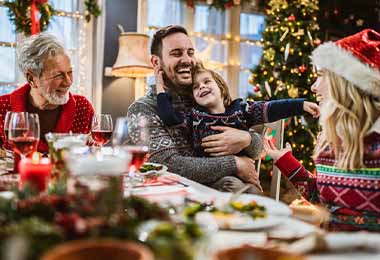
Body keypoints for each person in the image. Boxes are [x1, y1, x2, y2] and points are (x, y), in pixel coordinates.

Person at [263, 29, 380, 231]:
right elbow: (322, 200)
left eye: (321, 76)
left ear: (346, 84)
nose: (314, 87)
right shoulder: (328, 141)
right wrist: (285, 161)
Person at [127, 25, 263, 191]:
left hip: (223, 194)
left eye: (190, 53)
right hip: (176, 198)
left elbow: (257, 150)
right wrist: (234, 163)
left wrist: (246, 139)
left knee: (245, 190)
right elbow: (165, 164)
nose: (187, 60)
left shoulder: (204, 96)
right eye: (176, 53)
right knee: (235, 187)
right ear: (156, 62)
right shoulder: (143, 109)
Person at [156, 64, 319, 157]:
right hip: (207, 179)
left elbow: (271, 108)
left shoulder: (241, 109)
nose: (202, 87)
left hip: (237, 177)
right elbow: (169, 117)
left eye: (207, 82)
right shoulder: (193, 116)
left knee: (246, 190)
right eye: (196, 87)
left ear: (221, 88)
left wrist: (300, 105)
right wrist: (159, 87)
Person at [0, 33, 94, 153]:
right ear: (32, 79)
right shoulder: (3, 108)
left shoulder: (83, 108)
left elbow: (92, 157)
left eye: (70, 72)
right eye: (58, 75)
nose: (68, 82)